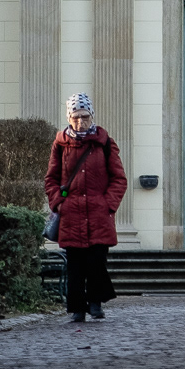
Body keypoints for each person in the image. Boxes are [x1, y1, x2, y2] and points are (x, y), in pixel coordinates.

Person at [45, 92, 127, 323]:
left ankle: (95, 304)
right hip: (71, 214)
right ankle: (77, 310)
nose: (80, 121)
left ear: (92, 115)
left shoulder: (105, 143)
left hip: (98, 214)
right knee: (75, 267)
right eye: (75, 116)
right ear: (68, 117)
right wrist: (59, 203)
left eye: (85, 116)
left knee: (96, 263)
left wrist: (108, 204)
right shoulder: (60, 145)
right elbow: (51, 179)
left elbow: (119, 178)